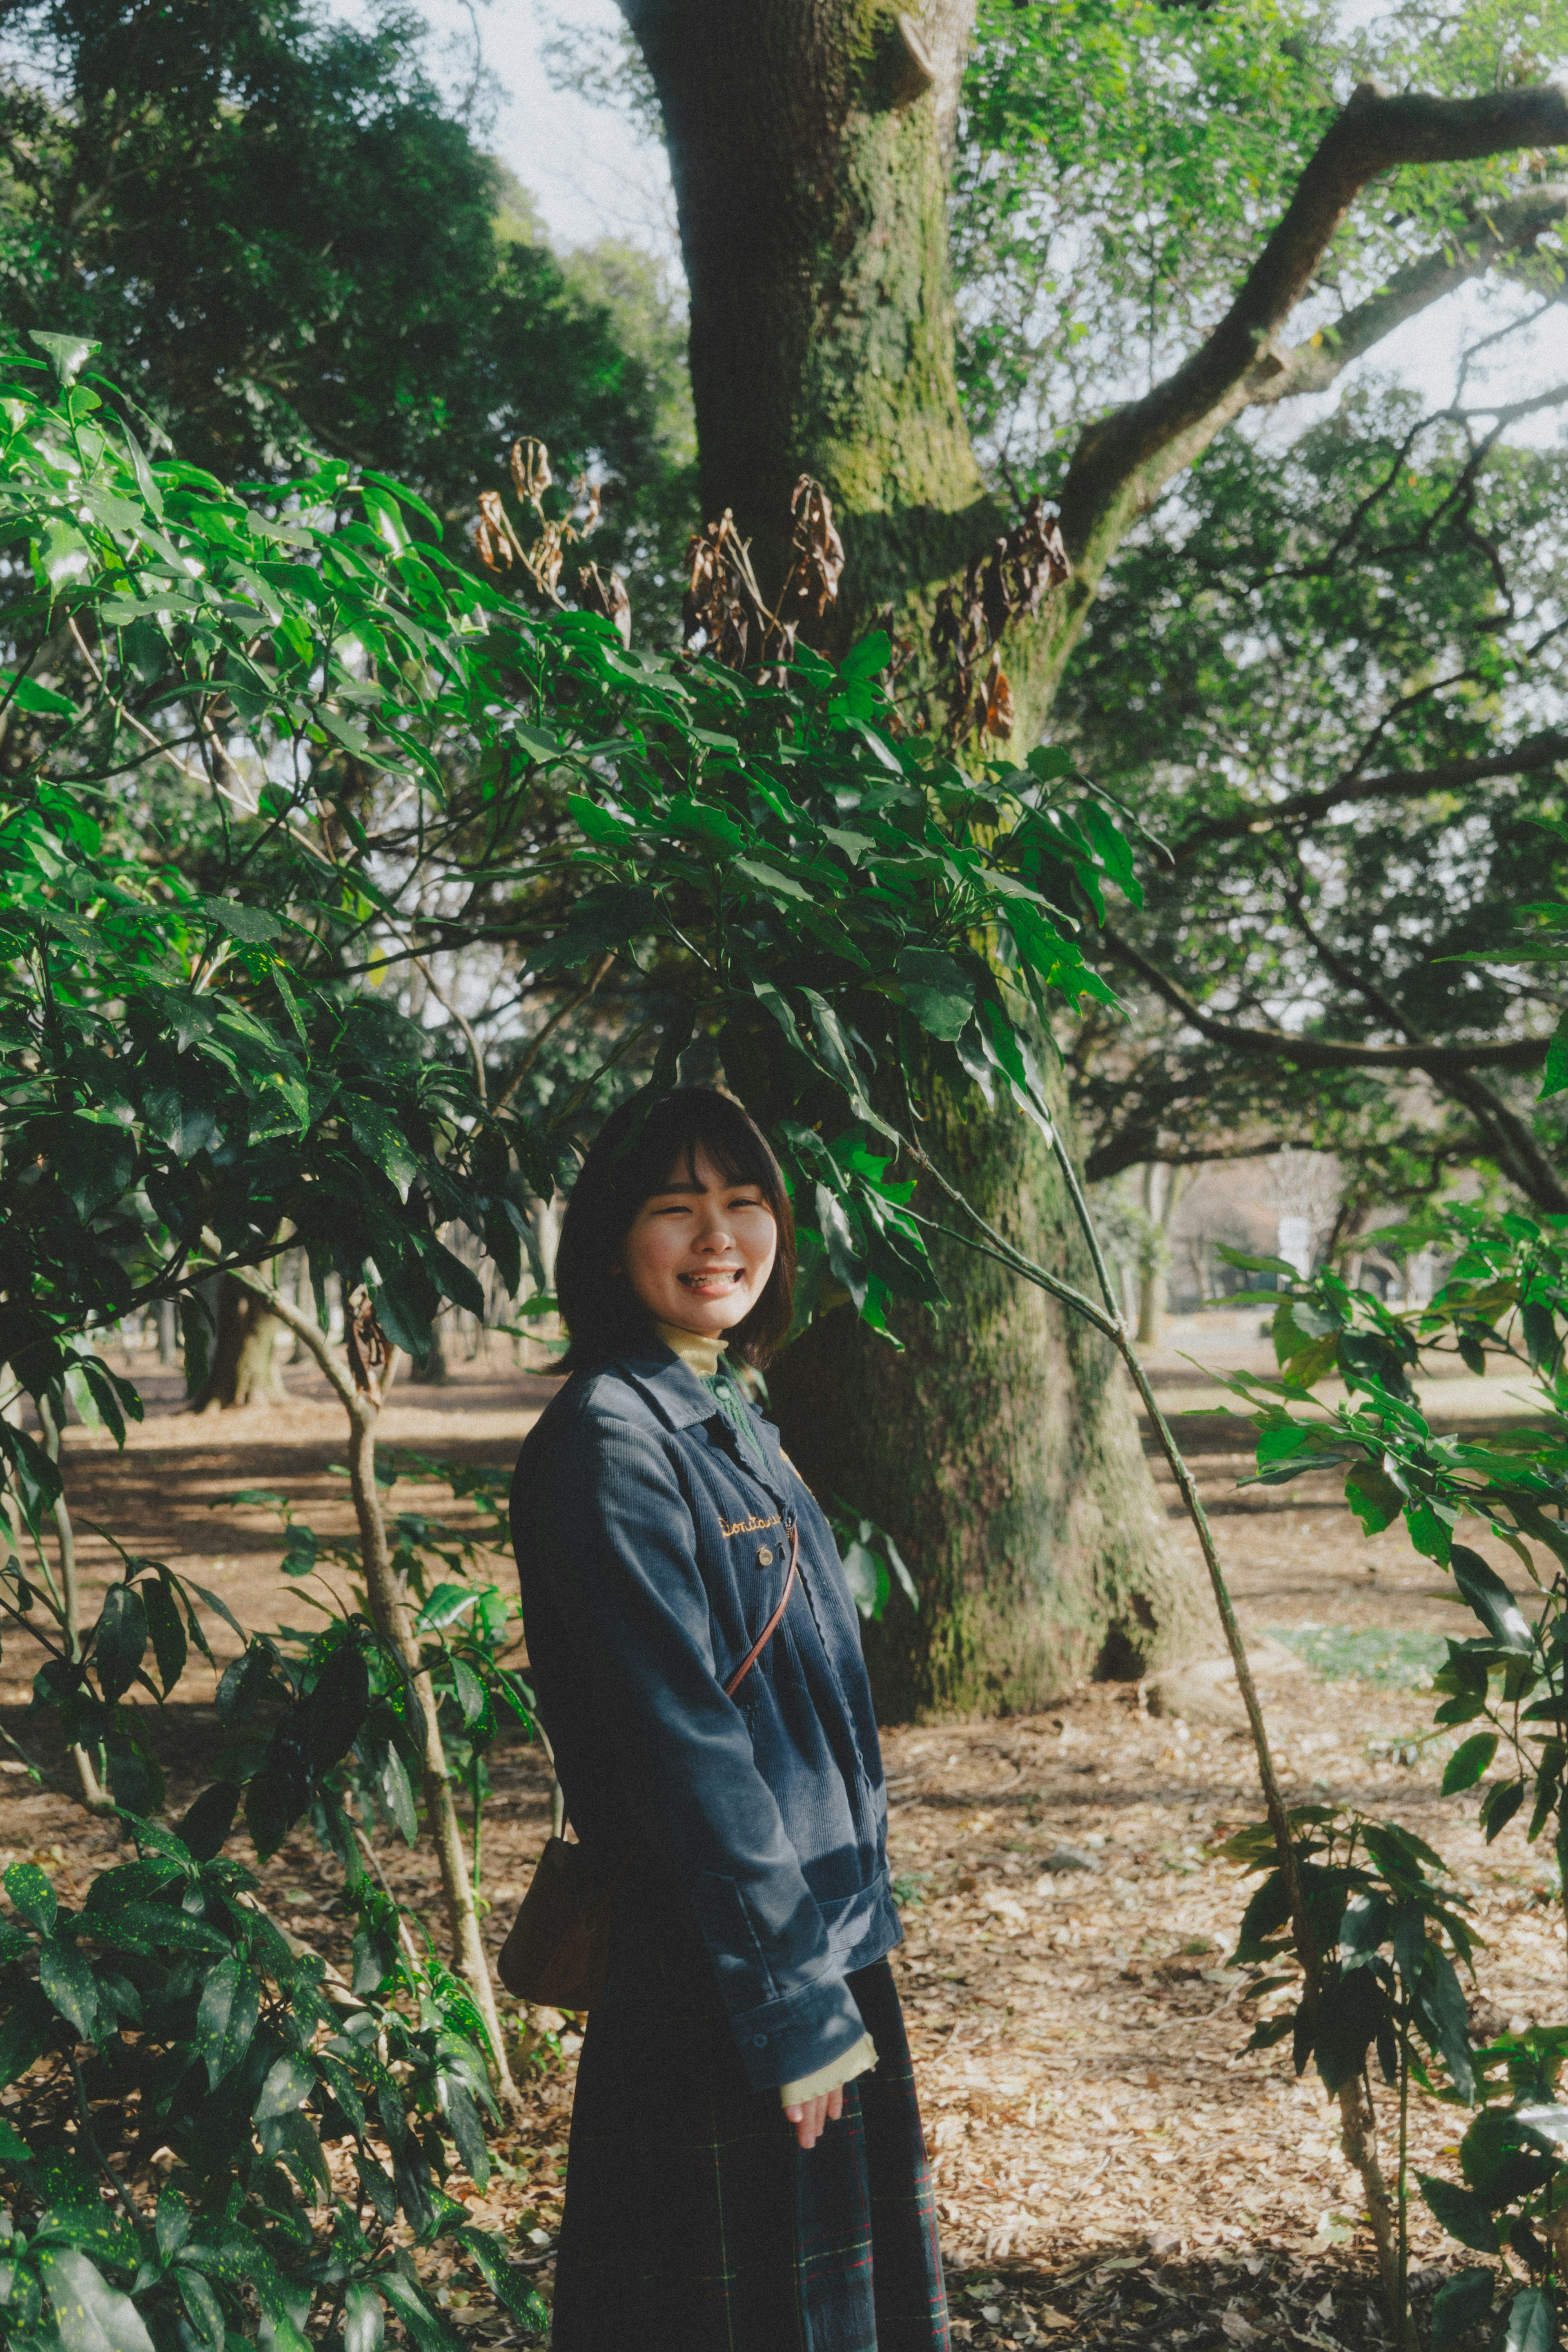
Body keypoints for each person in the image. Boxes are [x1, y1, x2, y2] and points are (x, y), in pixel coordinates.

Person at [509, 1086, 951, 2351]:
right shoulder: (613, 1438)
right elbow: (680, 1743)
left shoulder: (730, 1408)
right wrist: (796, 2005)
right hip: (728, 1974)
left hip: (814, 1943)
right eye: (675, 1208)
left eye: (743, 1202)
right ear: (608, 1242)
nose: (719, 1236)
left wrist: (831, 1976)